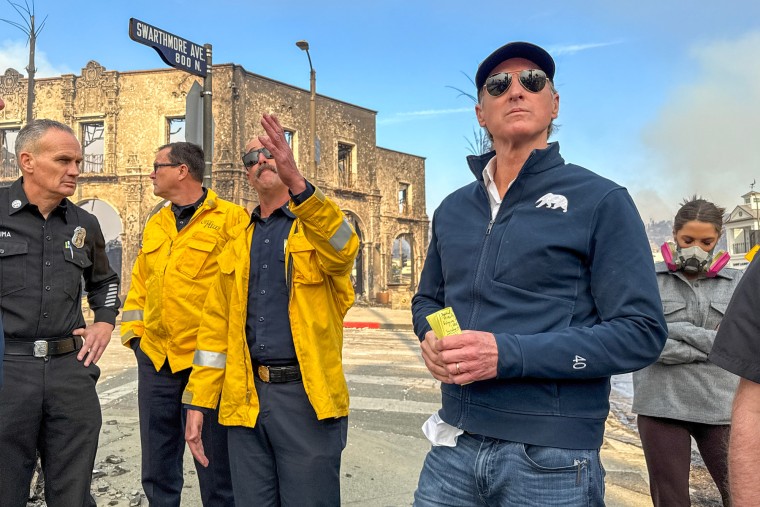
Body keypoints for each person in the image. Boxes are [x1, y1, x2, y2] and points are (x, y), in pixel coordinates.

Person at [410, 41, 667, 506]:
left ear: (553, 105)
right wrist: (442, 340)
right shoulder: (451, 210)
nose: (515, 91)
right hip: (454, 445)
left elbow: (641, 333)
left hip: (553, 457)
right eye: (498, 84)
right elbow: (429, 300)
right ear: (480, 113)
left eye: (532, 81)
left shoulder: (601, 200)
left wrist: (506, 354)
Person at [183, 113, 359, 506]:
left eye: (268, 153)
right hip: (245, 400)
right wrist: (197, 402)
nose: (260, 161)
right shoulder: (236, 244)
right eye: (251, 159)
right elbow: (213, 332)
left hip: (305, 399)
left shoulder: (317, 227)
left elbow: (345, 249)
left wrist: (297, 181)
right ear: (246, 174)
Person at [0, 119, 121, 507]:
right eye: (64, 160)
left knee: (72, 491)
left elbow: (105, 281)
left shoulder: (84, 223)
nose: (75, 170)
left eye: (79, 161)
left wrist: (104, 320)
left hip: (70, 372)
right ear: (27, 161)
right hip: (8, 368)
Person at [120, 141, 246, 506]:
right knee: (158, 469)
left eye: (157, 166)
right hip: (157, 361)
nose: (151, 174)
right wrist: (136, 339)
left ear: (182, 170)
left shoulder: (231, 219)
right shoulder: (157, 221)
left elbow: (238, 293)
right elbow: (140, 284)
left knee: (216, 467)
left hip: (206, 366)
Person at [632, 197, 741, 506]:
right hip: (661, 406)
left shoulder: (738, 284)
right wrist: (711, 344)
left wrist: (672, 331)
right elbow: (644, 344)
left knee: (742, 495)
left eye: (707, 241)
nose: (697, 248)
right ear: (675, 237)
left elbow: (740, 347)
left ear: (718, 239)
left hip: (721, 407)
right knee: (671, 501)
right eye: (688, 239)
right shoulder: (646, 281)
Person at [709, 255, 760, 506]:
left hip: (716, 413)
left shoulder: (734, 280)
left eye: (707, 242)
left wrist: (683, 335)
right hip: (665, 409)